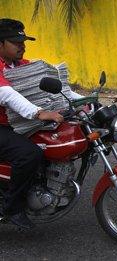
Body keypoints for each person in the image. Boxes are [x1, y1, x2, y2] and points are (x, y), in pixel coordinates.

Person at [0, 18, 65, 229]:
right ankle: (13, 208)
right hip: (2, 127)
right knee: (29, 153)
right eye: (15, 42)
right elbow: (6, 94)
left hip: (15, 124)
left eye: (23, 41)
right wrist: (39, 113)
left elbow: (52, 84)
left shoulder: (22, 66)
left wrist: (84, 102)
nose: (22, 46)